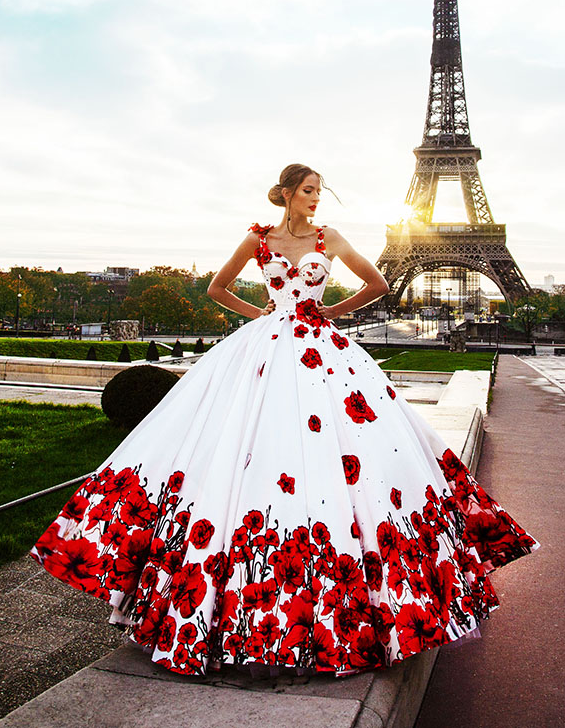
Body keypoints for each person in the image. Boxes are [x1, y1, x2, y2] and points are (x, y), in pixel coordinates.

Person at [31, 164, 538, 678]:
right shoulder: (258, 237)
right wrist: (262, 317)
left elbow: (379, 282)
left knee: (320, 455)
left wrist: (332, 312)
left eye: (320, 191)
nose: (317, 199)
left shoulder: (329, 237)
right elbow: (216, 289)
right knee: (253, 453)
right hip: (269, 345)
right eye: (310, 191)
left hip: (319, 346)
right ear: (288, 194)